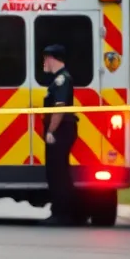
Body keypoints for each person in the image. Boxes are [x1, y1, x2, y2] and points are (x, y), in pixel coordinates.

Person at [41, 44, 78, 226]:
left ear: (51, 58)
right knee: (57, 172)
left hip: (60, 131)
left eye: (44, 59)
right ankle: (64, 212)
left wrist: (51, 130)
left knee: (58, 173)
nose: (43, 63)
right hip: (61, 130)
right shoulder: (58, 79)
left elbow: (59, 107)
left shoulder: (62, 79)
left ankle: (62, 214)